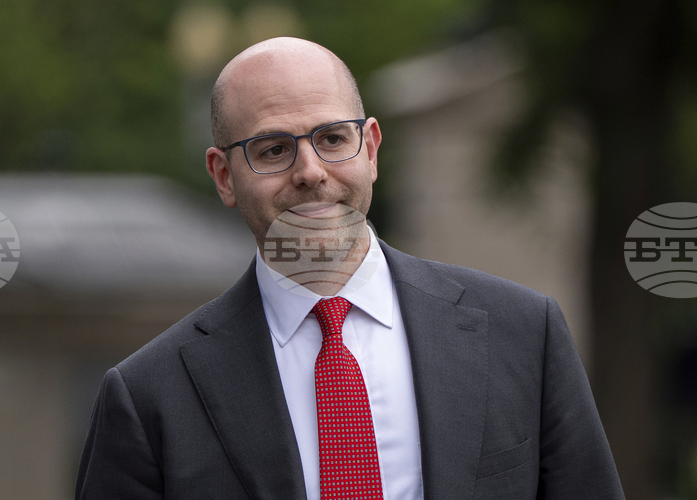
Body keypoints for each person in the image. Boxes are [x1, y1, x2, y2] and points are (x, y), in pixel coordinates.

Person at [76, 37, 625, 500]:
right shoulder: (148, 396)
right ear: (224, 176)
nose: (311, 171)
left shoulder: (524, 335)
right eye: (273, 150)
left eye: (333, 138)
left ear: (371, 149)